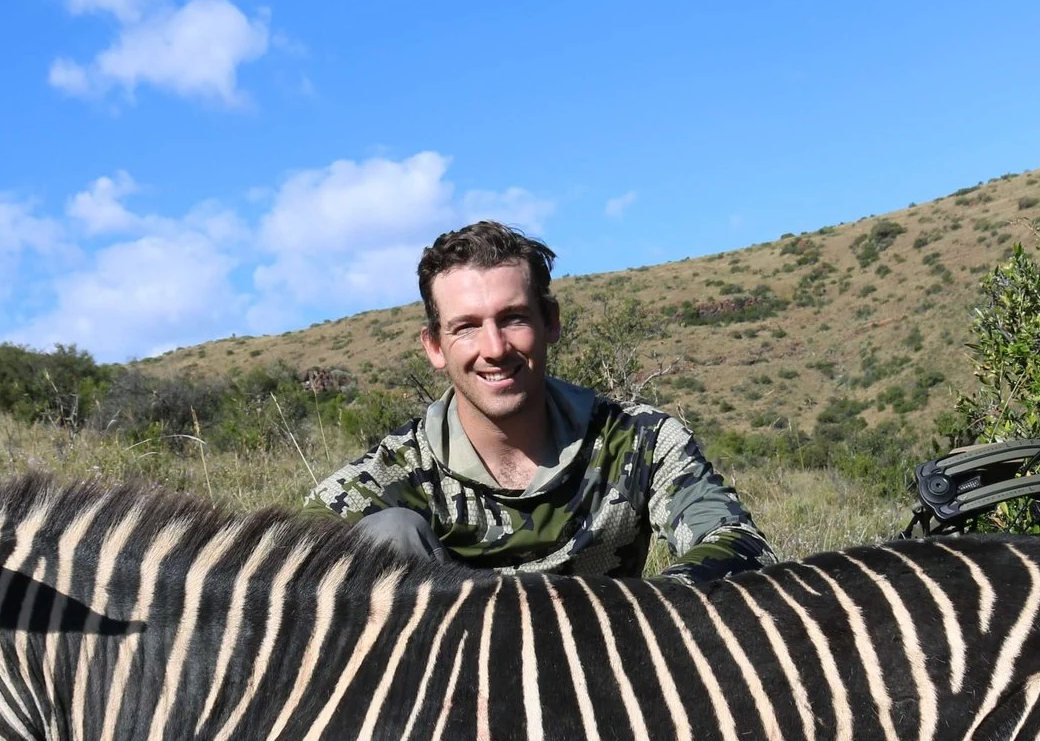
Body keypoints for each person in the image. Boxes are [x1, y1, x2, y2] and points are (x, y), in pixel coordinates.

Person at [311, 221, 776, 582]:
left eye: (513, 319)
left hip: (609, 664)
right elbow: (277, 562)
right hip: (451, 691)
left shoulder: (640, 440)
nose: (494, 348)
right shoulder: (395, 470)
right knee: (386, 536)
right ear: (435, 346)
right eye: (466, 327)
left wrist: (653, 610)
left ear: (550, 322)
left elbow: (735, 541)